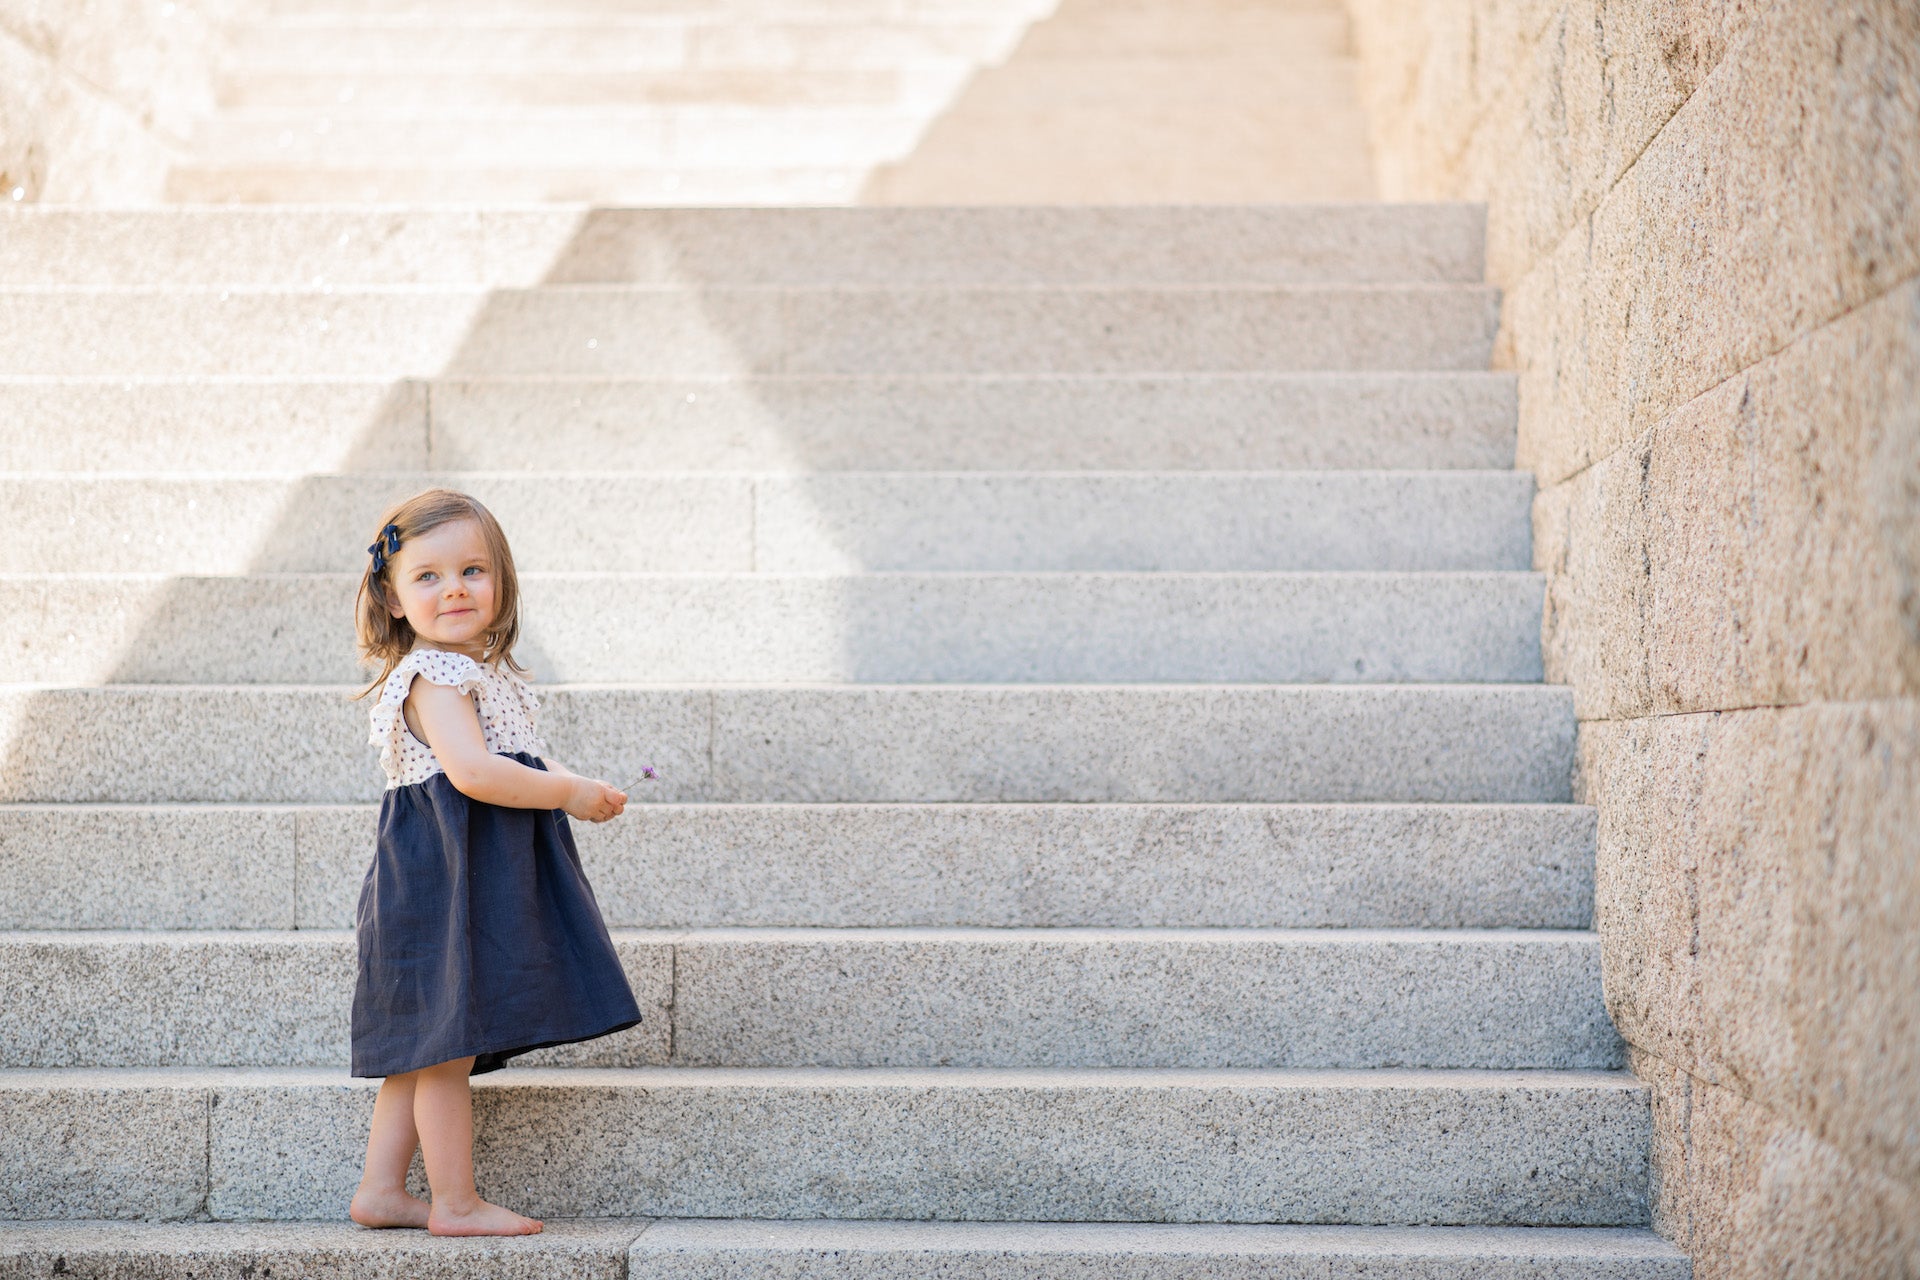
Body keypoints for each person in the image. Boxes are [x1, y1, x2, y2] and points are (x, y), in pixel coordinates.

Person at [345, 487, 639, 1236]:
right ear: (394, 596)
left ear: (502, 580)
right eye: (429, 577)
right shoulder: (436, 678)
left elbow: (516, 756)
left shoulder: (478, 674)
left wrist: (570, 779)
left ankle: (382, 1191)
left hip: (456, 874)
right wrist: (566, 792)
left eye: (473, 570)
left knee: (418, 1052)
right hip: (442, 881)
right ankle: (456, 1202)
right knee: (445, 1049)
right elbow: (474, 773)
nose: (455, 590)